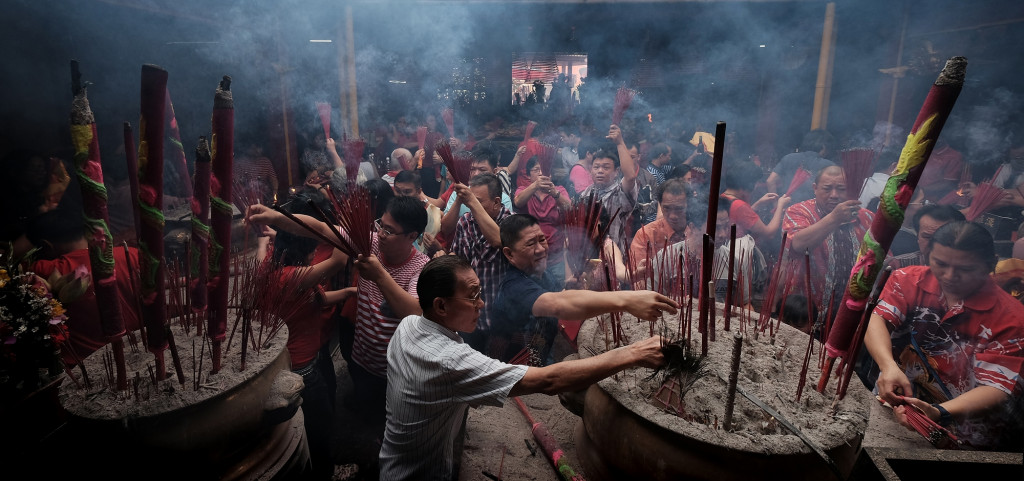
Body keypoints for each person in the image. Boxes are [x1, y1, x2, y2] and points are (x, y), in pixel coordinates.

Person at [379, 255, 675, 480]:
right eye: (473, 296)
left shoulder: (410, 325)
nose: (481, 304)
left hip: (393, 460)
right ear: (441, 306)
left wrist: (626, 299)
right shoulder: (449, 362)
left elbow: (561, 300)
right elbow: (548, 380)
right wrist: (635, 352)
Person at [864, 221, 1024, 450]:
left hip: (964, 429)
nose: (949, 275)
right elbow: (878, 320)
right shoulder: (907, 279)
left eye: (965, 269)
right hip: (895, 402)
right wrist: (888, 365)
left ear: (991, 264)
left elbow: (997, 387)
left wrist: (939, 412)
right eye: (940, 263)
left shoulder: (1013, 318)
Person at [490, 214, 676, 364]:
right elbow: (556, 305)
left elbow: (555, 297)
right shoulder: (513, 285)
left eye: (542, 240)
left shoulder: (541, 273)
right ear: (509, 253)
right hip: (511, 367)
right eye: (531, 244)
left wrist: (567, 288)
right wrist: (627, 301)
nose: (540, 249)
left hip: (540, 355)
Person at [25, 208, 142, 367]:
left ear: (46, 247)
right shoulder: (132, 255)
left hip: (84, 370)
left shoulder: (43, 271)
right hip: (140, 354)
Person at [783, 165, 873, 321]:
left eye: (841, 189)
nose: (834, 195)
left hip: (851, 313)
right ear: (815, 188)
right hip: (806, 312)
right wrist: (834, 218)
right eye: (827, 189)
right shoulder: (799, 211)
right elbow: (797, 244)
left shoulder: (867, 218)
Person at [445, 173, 511, 353]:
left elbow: (499, 240)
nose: (471, 205)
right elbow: (457, 257)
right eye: (470, 201)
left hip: (501, 319)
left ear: (496, 202)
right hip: (470, 313)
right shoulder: (465, 222)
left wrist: (472, 202)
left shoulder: (512, 222)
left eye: (478, 201)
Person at [577, 124, 639, 252]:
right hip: (587, 255)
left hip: (613, 257)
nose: (600, 171)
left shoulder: (620, 192)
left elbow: (631, 177)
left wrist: (620, 143)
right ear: (590, 170)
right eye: (596, 167)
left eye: (606, 167)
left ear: (616, 171)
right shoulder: (586, 193)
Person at [514, 157, 571, 287]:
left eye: (544, 170)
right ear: (529, 175)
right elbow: (518, 202)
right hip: (531, 257)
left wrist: (554, 193)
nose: (541, 173)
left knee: (558, 293)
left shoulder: (559, 190)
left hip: (556, 257)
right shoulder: (523, 190)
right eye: (536, 170)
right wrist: (535, 186)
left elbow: (570, 208)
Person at [766, 129, 835, 203]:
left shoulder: (789, 158)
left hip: (786, 208)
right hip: (811, 211)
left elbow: (770, 181)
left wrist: (776, 205)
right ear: (824, 147)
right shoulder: (829, 166)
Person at [888, 204, 965, 268]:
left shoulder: (971, 270)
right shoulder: (895, 266)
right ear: (918, 237)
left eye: (944, 237)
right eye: (927, 237)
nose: (935, 245)